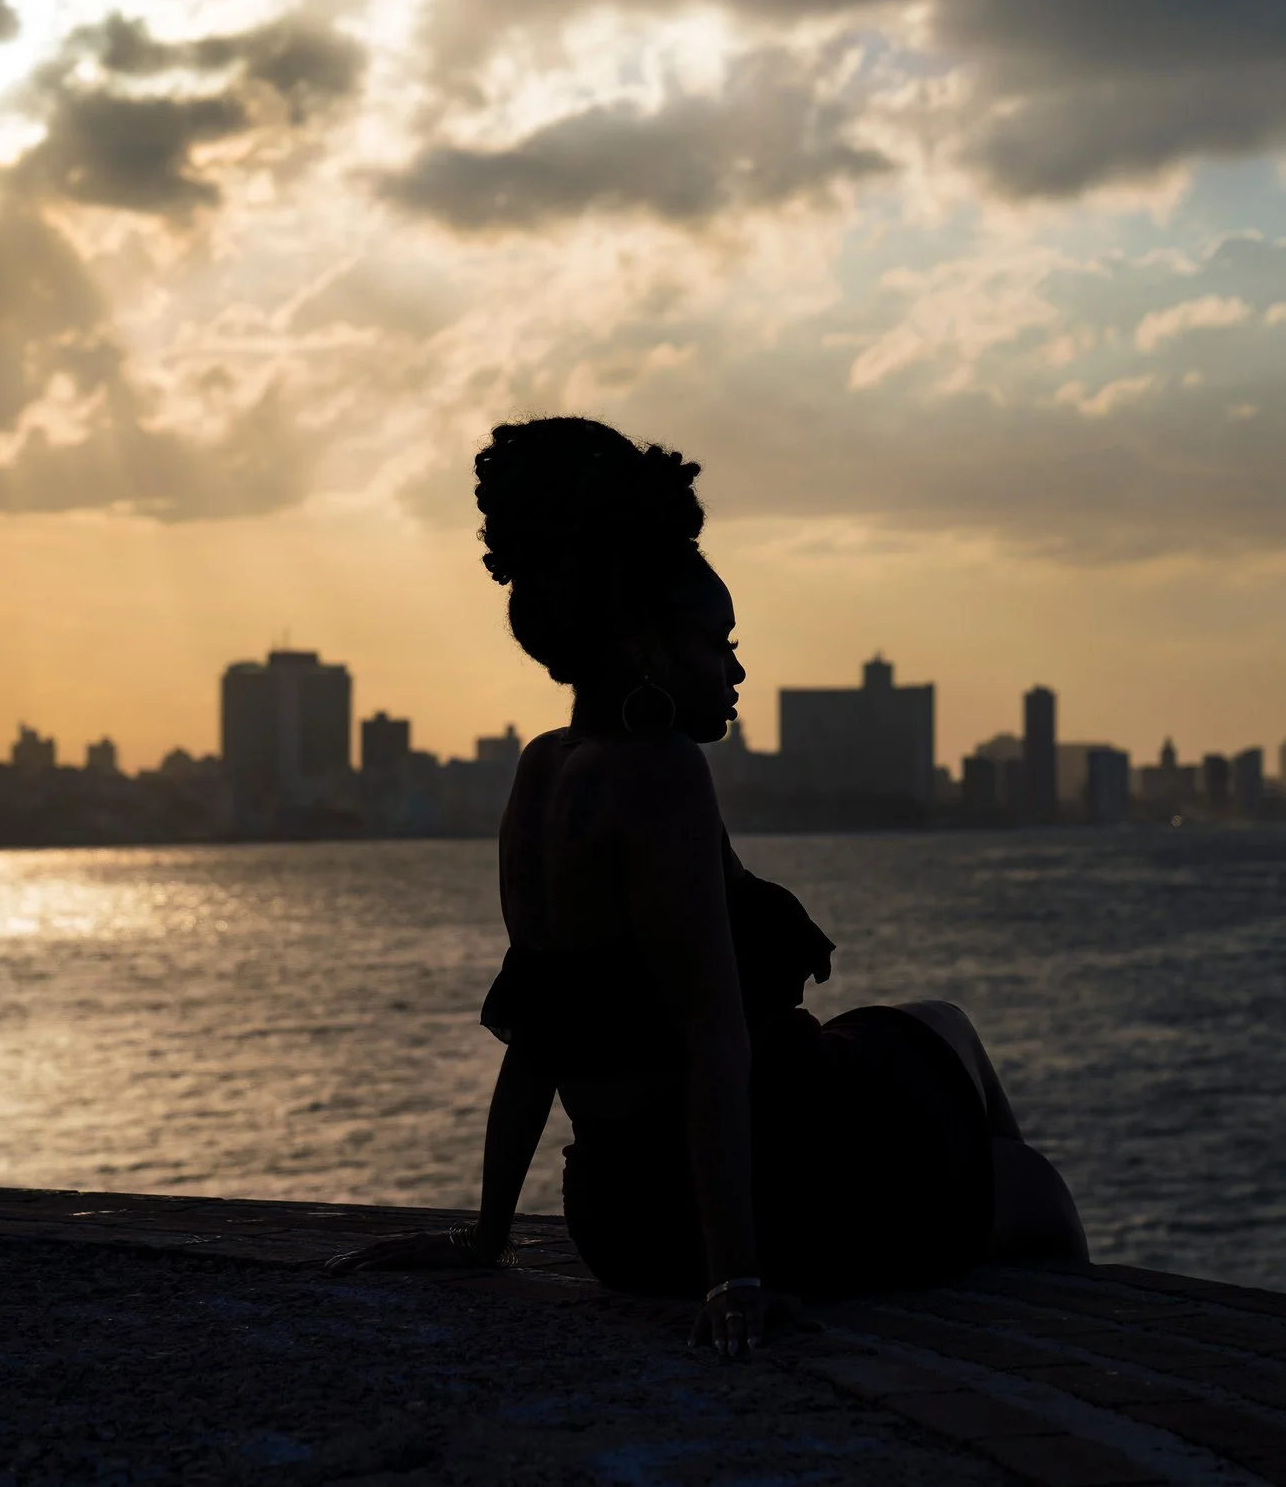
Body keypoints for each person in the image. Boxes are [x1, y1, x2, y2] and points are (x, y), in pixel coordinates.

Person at [328, 418, 1086, 1358]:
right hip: (763, 1188)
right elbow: (713, 1040)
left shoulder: (543, 771)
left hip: (618, 1218)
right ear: (649, 650)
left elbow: (538, 1035)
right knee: (1034, 1183)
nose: (734, 669)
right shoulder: (663, 773)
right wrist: (736, 1274)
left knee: (943, 1023)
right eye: (715, 641)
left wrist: (487, 1235)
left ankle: (955, 1200)